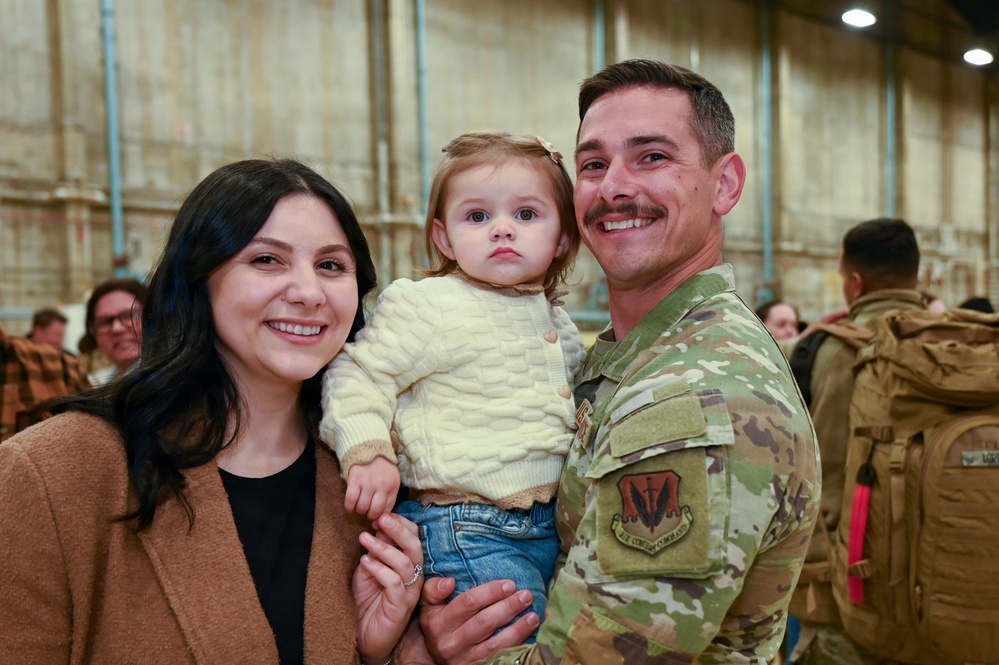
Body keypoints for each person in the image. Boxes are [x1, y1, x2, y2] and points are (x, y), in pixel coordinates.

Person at [410, 59, 821, 664]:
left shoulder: (694, 395)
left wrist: (422, 654)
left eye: (651, 157)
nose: (614, 187)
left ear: (725, 185)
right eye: (594, 165)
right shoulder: (629, 355)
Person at [0, 158, 422, 664]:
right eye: (267, 260)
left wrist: (386, 655)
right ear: (198, 277)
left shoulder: (380, 473)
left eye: (331, 265)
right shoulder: (54, 473)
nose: (309, 293)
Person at [321, 132, 585, 643]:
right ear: (444, 238)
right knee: (513, 647)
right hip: (465, 525)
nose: (502, 230)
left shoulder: (561, 327)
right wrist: (367, 449)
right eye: (478, 217)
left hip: (548, 528)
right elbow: (359, 372)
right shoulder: (429, 305)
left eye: (527, 215)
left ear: (562, 240)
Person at [788, 218, 924, 665]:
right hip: (944, 591)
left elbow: (821, 472)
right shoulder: (960, 348)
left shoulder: (835, 351)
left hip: (851, 597)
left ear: (854, 282)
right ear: (915, 276)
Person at [1, 324, 89, 443]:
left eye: (62, 335)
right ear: (38, 331)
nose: (60, 340)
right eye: (56, 334)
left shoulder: (62, 368)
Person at [78, 277, 147, 383]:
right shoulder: (102, 385)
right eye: (104, 322)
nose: (116, 329)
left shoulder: (176, 381)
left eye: (128, 316)